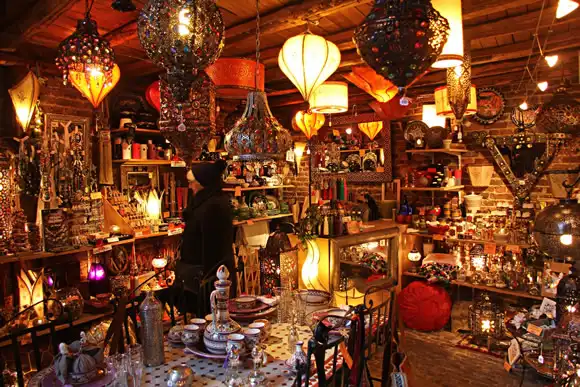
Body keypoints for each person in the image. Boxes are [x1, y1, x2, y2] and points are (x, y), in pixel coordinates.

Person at [175, 160, 234, 315]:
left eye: (192, 183)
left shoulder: (213, 206)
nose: (190, 186)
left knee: (211, 318)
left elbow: (213, 247)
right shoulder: (203, 202)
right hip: (199, 276)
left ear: (202, 183)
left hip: (209, 279)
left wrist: (206, 281)